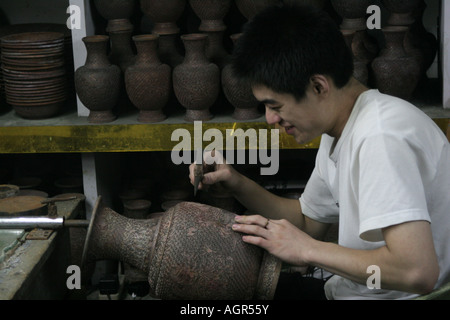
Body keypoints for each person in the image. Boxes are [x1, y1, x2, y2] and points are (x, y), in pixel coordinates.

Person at [189, 4, 450, 300]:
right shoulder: (342, 126)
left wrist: (309, 251)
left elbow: (417, 272)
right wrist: (235, 181)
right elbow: (306, 223)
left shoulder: (381, 137)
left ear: (318, 86)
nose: (270, 119)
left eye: (275, 106)